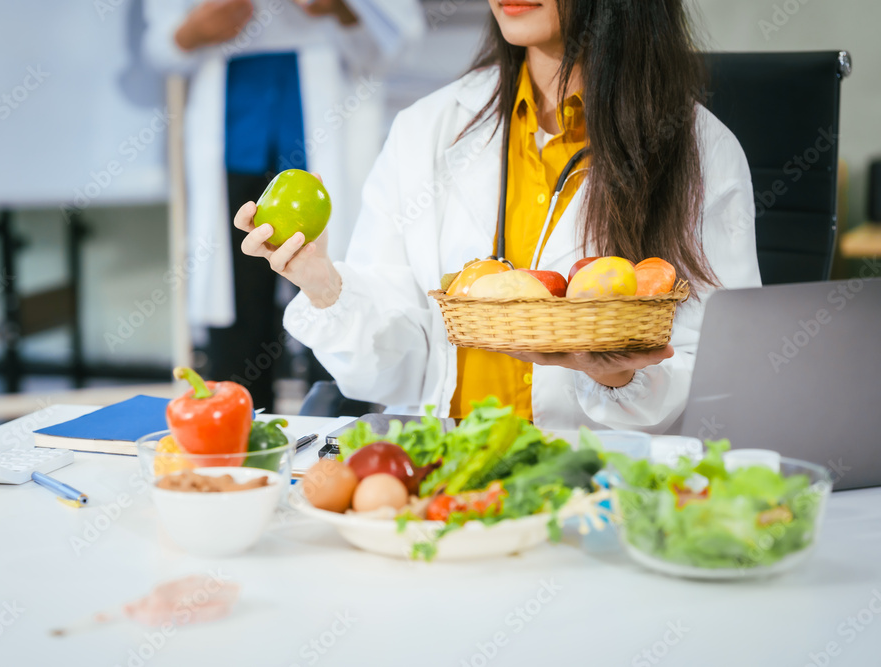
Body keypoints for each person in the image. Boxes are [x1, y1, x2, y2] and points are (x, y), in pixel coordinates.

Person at [233, 0, 762, 432]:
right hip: (448, 483)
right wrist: (325, 286)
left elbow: (719, 375)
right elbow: (394, 372)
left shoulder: (702, 151)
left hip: (598, 490)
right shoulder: (426, 129)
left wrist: (618, 378)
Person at [143, 0, 424, 409]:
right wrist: (194, 31)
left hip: (322, 120)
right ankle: (240, 436)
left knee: (333, 297)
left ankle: (338, 435)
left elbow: (396, 41)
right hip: (234, 127)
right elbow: (159, 47)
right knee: (238, 308)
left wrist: (341, 9)